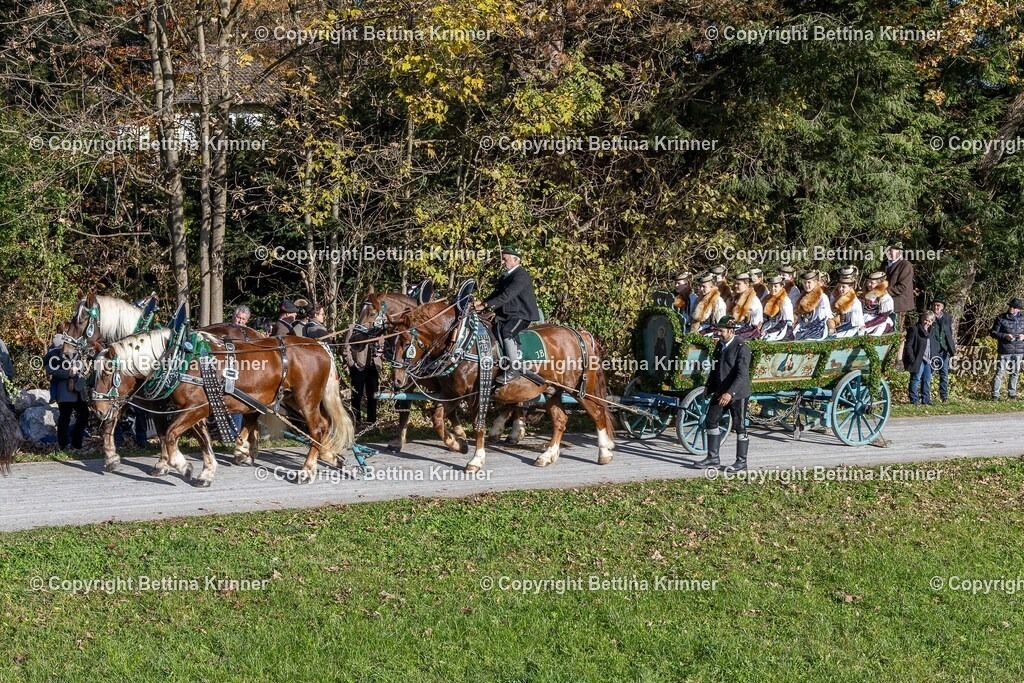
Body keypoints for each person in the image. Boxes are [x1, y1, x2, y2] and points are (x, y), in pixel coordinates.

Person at [473, 245, 542, 383]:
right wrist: (481, 302)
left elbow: (506, 296)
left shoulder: (521, 275)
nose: (503, 262)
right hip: (507, 314)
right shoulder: (506, 276)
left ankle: (514, 369)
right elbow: (496, 294)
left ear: (516, 260)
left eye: (505, 259)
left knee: (507, 332)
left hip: (521, 314)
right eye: (502, 259)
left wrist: (486, 305)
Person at [694, 316, 751, 473]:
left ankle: (741, 462)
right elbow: (715, 369)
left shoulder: (742, 348)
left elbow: (742, 375)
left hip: (738, 393)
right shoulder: (720, 345)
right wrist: (708, 387)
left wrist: (730, 393)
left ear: (731, 331)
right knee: (711, 420)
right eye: (718, 330)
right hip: (720, 391)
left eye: (721, 331)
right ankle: (713, 458)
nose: (718, 333)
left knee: (739, 426)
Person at [44, 330, 90, 450]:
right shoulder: (54, 354)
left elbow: (82, 365)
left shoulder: (77, 351)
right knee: (65, 417)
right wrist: (67, 373)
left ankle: (77, 444)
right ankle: (63, 444)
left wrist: (79, 367)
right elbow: (49, 370)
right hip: (65, 391)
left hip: (78, 390)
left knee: (84, 415)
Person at [343, 325, 382, 425]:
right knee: (356, 396)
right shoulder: (352, 328)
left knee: (373, 396)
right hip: (358, 367)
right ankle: (356, 420)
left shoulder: (378, 329)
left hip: (373, 367)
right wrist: (352, 364)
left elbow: (384, 345)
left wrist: (381, 351)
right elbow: (346, 349)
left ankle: (371, 422)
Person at [990, 298, 1024, 400]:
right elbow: (993, 333)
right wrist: (1005, 336)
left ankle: (1012, 394)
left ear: (1019, 309)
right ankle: (995, 395)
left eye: (1014, 307)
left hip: (1019, 351)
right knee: (1000, 373)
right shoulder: (1001, 318)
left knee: (1015, 373)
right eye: (1010, 306)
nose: (1011, 308)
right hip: (1005, 350)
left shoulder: (1023, 319)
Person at [903, 311, 936, 405]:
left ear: (932, 322)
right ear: (922, 319)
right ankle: (914, 399)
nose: (927, 322)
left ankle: (926, 399)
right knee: (916, 379)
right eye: (926, 320)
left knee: (927, 380)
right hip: (918, 359)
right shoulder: (915, 329)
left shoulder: (931, 332)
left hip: (928, 360)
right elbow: (908, 345)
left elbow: (933, 345)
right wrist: (912, 358)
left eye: (929, 321)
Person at [930, 295, 956, 402]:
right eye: (934, 305)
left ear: (942, 307)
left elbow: (949, 333)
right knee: (929, 373)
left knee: (944, 374)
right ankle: (926, 396)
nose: (936, 307)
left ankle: (944, 396)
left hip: (943, 349)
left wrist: (952, 349)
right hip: (932, 349)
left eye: (938, 305)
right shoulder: (928, 316)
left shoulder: (947, 317)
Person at [793, 271, 833, 341]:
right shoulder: (802, 297)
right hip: (804, 327)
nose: (806, 285)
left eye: (809, 282)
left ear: (815, 282)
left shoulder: (822, 297)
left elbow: (827, 316)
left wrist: (831, 327)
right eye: (804, 282)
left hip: (818, 328)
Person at [885, 242, 915, 330]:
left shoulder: (906, 265)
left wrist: (884, 292)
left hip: (899, 305)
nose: (888, 252)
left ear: (899, 251)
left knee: (897, 331)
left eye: (891, 250)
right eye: (887, 250)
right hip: (886, 304)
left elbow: (902, 287)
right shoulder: (885, 264)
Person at [730, 272, 763, 340]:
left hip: (749, 330)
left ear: (746, 285)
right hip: (737, 327)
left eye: (738, 284)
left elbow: (756, 323)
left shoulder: (753, 300)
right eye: (735, 283)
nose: (735, 286)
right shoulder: (736, 298)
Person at [762, 275, 795, 341]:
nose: (773, 288)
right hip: (768, 326)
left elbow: (787, 321)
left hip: (781, 328)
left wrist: (769, 331)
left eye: (775, 286)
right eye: (771, 286)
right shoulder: (767, 299)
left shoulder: (785, 300)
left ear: (781, 286)